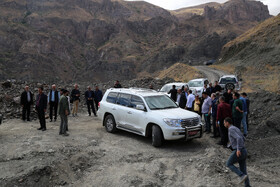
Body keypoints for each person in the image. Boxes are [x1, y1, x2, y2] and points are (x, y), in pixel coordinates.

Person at [224, 117, 251, 187]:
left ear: (227, 123)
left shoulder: (230, 129)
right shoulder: (236, 128)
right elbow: (242, 138)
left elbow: (238, 138)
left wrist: (238, 149)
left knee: (228, 163)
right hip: (244, 150)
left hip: (239, 151)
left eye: (224, 123)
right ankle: (247, 185)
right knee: (243, 170)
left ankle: (241, 175)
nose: (224, 124)